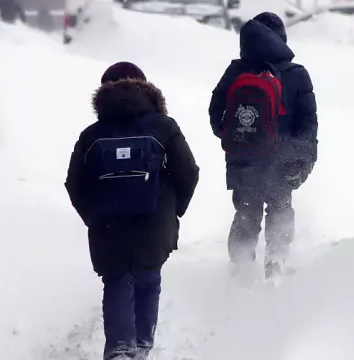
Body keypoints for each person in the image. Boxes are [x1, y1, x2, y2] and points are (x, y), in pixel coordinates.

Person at [65, 62, 199, 360]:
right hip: (155, 221)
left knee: (117, 281)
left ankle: (119, 349)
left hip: (108, 224)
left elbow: (74, 183)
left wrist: (94, 215)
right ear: (145, 89)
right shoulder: (165, 127)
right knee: (148, 278)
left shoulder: (91, 135)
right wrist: (173, 210)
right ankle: (141, 346)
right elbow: (188, 172)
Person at [208, 12, 318, 279]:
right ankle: (276, 261)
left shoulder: (235, 71)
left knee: (246, 209)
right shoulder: (296, 74)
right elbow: (308, 123)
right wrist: (304, 161)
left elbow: (215, 113)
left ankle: (241, 265)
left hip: (243, 157)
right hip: (283, 158)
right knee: (280, 207)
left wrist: (234, 138)